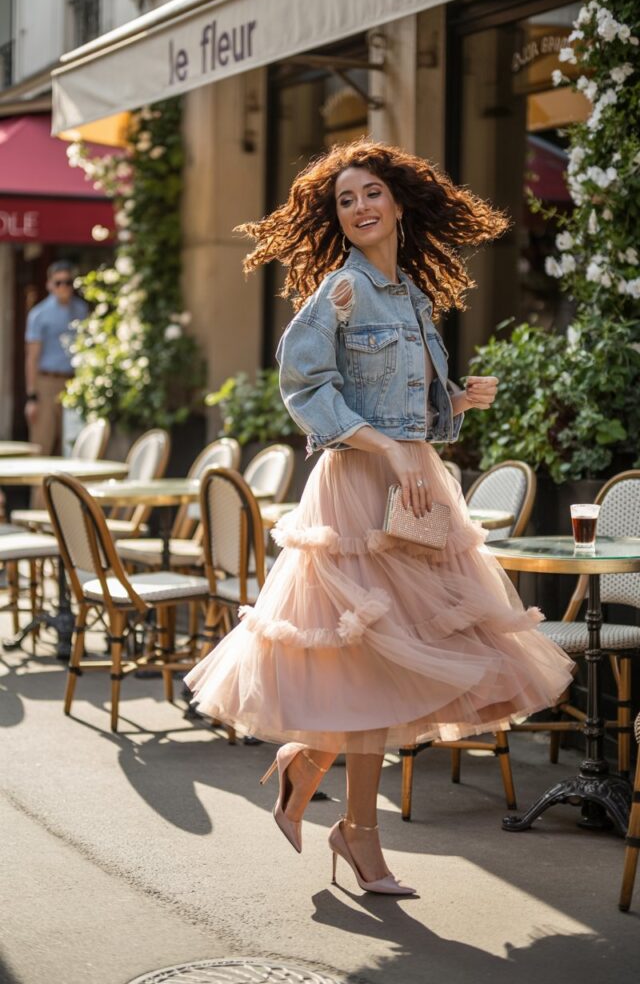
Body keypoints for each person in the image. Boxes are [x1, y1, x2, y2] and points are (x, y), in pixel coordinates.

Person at [185, 141, 575, 895]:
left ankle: (312, 773)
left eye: (371, 194)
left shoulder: (413, 300)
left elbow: (408, 406)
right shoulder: (340, 289)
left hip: (412, 485)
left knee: (395, 662)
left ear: (398, 202)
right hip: (360, 487)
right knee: (373, 659)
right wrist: (390, 452)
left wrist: (455, 402)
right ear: (337, 219)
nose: (360, 208)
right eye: (345, 201)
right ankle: (356, 830)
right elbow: (304, 385)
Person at [24, 260, 88, 458]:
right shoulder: (39, 314)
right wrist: (32, 396)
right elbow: (32, 357)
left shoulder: (82, 309)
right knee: (42, 444)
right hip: (47, 383)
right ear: (49, 284)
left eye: (68, 282)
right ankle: (38, 491)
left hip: (74, 382)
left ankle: (62, 490)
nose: (64, 287)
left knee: (69, 445)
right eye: (58, 283)